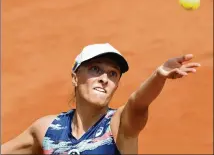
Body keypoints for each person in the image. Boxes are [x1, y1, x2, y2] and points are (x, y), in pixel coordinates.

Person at [1, 43, 201, 154]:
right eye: (95, 69)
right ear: (74, 77)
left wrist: (159, 76)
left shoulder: (119, 125)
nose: (104, 79)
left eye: (113, 74)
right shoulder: (46, 130)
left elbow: (138, 103)